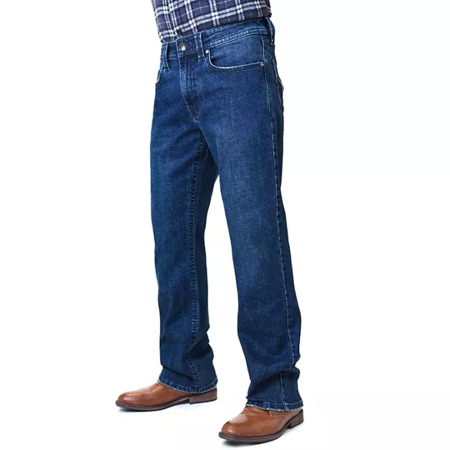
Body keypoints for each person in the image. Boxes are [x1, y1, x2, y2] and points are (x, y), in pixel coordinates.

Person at [116, 0, 304, 444]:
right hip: (172, 58)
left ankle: (277, 393)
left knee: (253, 229)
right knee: (171, 228)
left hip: (235, 47)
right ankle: (186, 371)